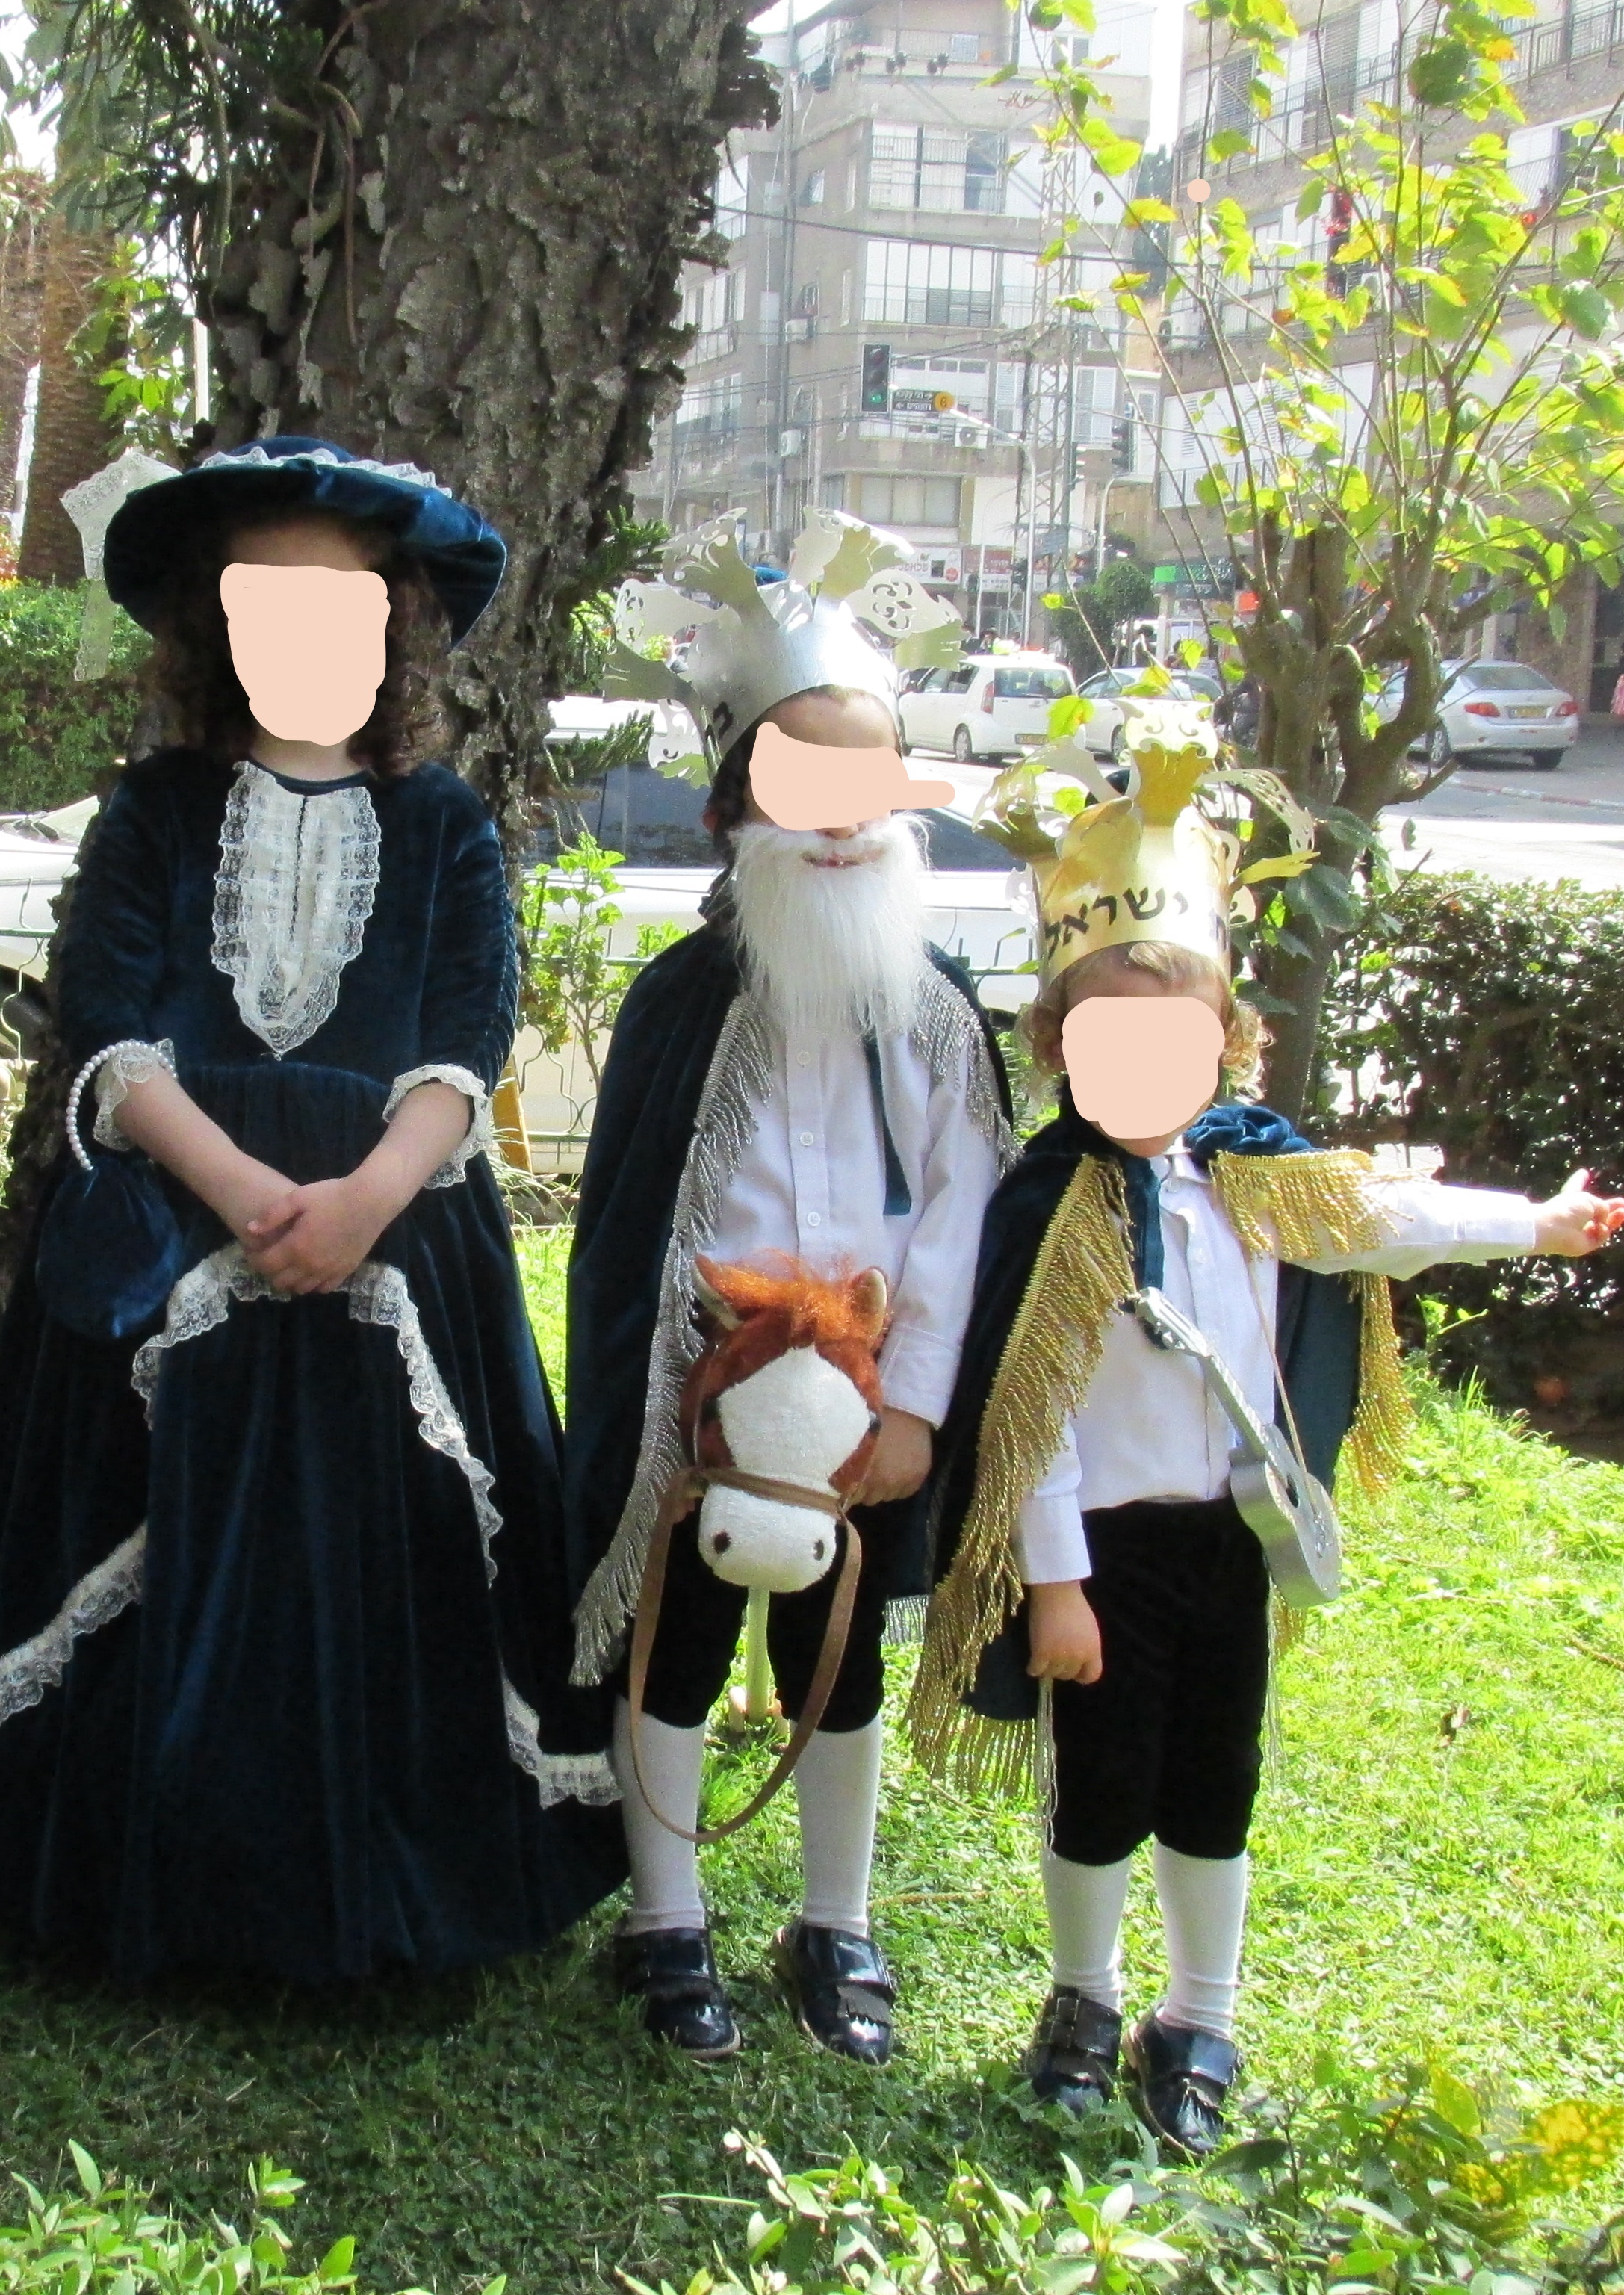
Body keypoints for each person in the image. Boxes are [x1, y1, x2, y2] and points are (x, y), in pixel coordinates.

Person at [0, 436, 624, 1985]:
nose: (305, 633)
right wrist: (248, 1194)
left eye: (341, 606)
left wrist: (367, 1200)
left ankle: (379, 1886)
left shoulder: (444, 822)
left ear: (392, 630)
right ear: (216, 626)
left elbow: (464, 1040)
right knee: (149, 1536)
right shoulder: (156, 811)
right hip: (178, 1222)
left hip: (400, 1231)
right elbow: (110, 1032)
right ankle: (149, 1875)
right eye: (267, 603)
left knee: (387, 1562)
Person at [905, 732, 1624, 2157]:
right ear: (1057, 1044)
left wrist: (1535, 1224)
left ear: (1225, 1037)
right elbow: (1031, 1413)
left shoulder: (1257, 1172)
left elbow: (1387, 1218)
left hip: (1228, 1540)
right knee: (1098, 1788)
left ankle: (1199, 2011)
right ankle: (1080, 1998)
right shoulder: (1049, 1201)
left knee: (1213, 1783)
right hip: (1099, 1556)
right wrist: (1051, 1582)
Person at [562, 511, 1014, 2065]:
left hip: (870, 1406)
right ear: (736, 798)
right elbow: (627, 1235)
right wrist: (681, 1400)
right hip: (701, 1395)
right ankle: (665, 1916)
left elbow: (962, 1219)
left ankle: (838, 1921)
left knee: (837, 1658)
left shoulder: (938, 1017)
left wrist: (917, 1410)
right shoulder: (677, 1002)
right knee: (676, 1646)